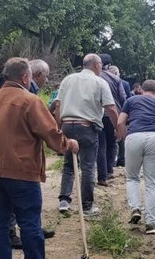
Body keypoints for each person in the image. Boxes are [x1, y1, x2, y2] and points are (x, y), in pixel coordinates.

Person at [0, 57, 79, 259]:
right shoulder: (30, 100)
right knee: (29, 222)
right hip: (21, 172)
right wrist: (67, 144)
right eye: (31, 76)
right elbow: (50, 132)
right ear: (24, 77)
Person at [0, 60, 54, 249]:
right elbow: (41, 126)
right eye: (46, 76)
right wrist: (65, 144)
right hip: (19, 161)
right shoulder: (29, 94)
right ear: (29, 76)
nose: (46, 80)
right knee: (26, 211)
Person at [51, 54, 118, 216]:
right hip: (87, 127)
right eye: (101, 65)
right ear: (96, 65)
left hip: (67, 125)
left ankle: (64, 200)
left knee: (68, 165)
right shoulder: (100, 82)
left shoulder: (68, 80)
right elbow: (111, 108)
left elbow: (58, 105)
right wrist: (117, 128)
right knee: (88, 166)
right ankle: (87, 206)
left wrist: (58, 127)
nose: (101, 68)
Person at [118, 80, 155, 234]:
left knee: (132, 178)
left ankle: (135, 208)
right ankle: (151, 223)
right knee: (151, 183)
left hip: (134, 136)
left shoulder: (131, 101)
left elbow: (120, 122)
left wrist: (125, 138)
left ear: (141, 90)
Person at [97, 54, 127, 185]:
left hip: (96, 115)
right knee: (112, 143)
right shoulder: (115, 79)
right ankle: (109, 170)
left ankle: (101, 175)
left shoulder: (94, 78)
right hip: (113, 114)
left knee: (100, 145)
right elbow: (123, 98)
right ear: (108, 65)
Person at [109, 66, 132, 167]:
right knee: (122, 136)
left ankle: (110, 160)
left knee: (107, 138)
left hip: (105, 112)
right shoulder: (124, 83)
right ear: (116, 73)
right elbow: (126, 99)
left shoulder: (102, 80)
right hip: (120, 112)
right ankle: (121, 159)